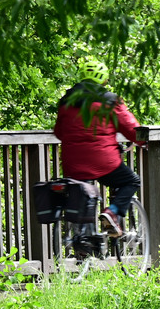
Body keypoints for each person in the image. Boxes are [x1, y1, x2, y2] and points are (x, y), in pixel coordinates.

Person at [53, 80, 142, 237]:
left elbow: (59, 132)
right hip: (104, 162)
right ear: (102, 81)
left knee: (81, 190)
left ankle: (81, 239)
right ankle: (112, 212)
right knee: (132, 181)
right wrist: (143, 140)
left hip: (72, 162)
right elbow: (131, 128)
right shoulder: (111, 101)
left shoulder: (66, 102)